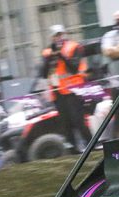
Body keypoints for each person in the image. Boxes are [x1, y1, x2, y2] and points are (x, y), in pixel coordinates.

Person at [40, 24, 92, 152]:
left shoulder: (74, 47)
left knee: (78, 120)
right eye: (55, 35)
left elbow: (74, 68)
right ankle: (73, 149)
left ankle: (91, 145)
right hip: (57, 92)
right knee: (65, 123)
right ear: (51, 37)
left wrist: (61, 56)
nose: (58, 37)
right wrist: (50, 58)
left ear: (64, 34)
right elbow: (44, 73)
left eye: (60, 34)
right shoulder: (47, 52)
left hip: (73, 89)